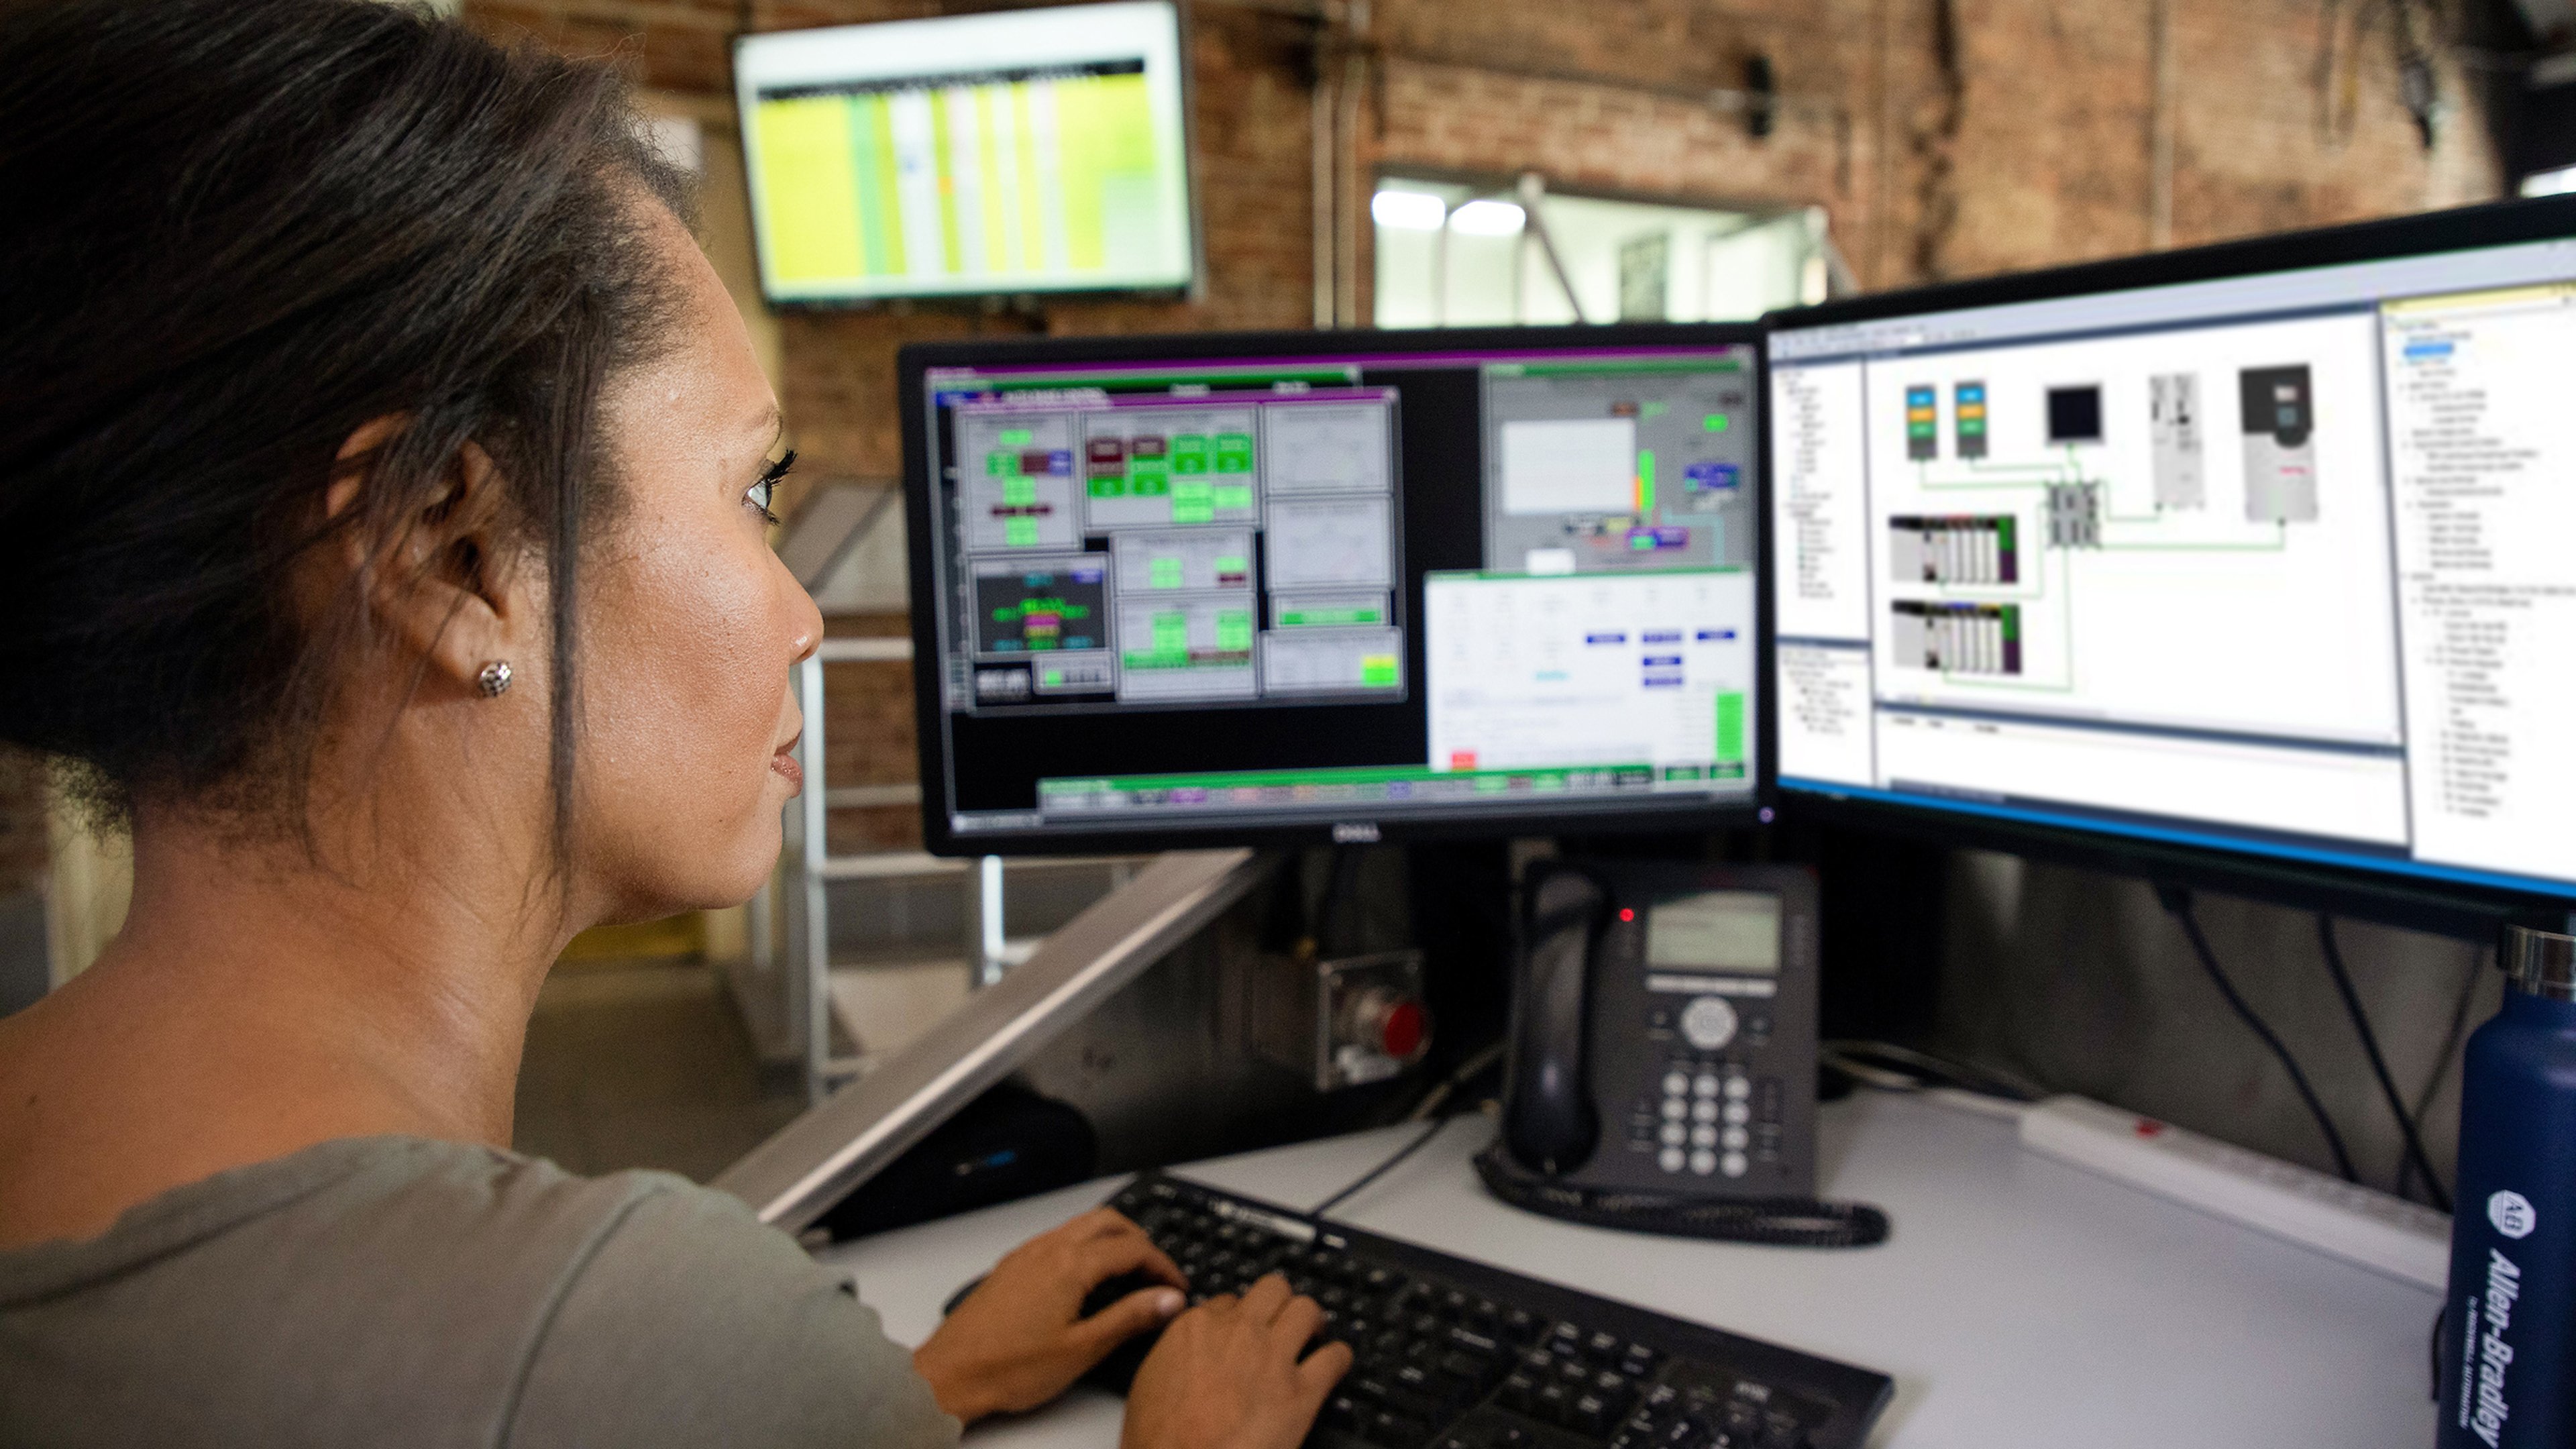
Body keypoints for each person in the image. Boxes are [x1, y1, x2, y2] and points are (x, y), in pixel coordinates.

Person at [0, 0, 1352, 1443]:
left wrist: (894, 1405)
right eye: (750, 491)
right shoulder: (632, 1334)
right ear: (445, 555)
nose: (805, 616)